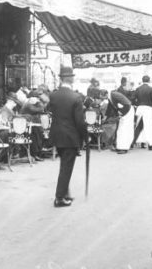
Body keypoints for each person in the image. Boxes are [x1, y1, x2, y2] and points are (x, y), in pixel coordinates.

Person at [47, 65, 87, 208]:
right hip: (70, 137)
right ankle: (59, 198)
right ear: (70, 79)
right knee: (66, 167)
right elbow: (80, 122)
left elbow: (51, 111)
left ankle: (65, 193)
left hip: (57, 135)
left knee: (64, 165)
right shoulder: (76, 97)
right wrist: (85, 136)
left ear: (61, 79)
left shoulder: (53, 95)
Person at [133, 75, 152, 150]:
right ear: (149, 80)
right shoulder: (151, 89)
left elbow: (134, 99)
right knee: (149, 126)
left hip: (140, 108)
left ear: (142, 80)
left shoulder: (138, 89)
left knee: (140, 125)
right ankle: (151, 145)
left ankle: (141, 142)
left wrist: (137, 105)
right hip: (148, 108)